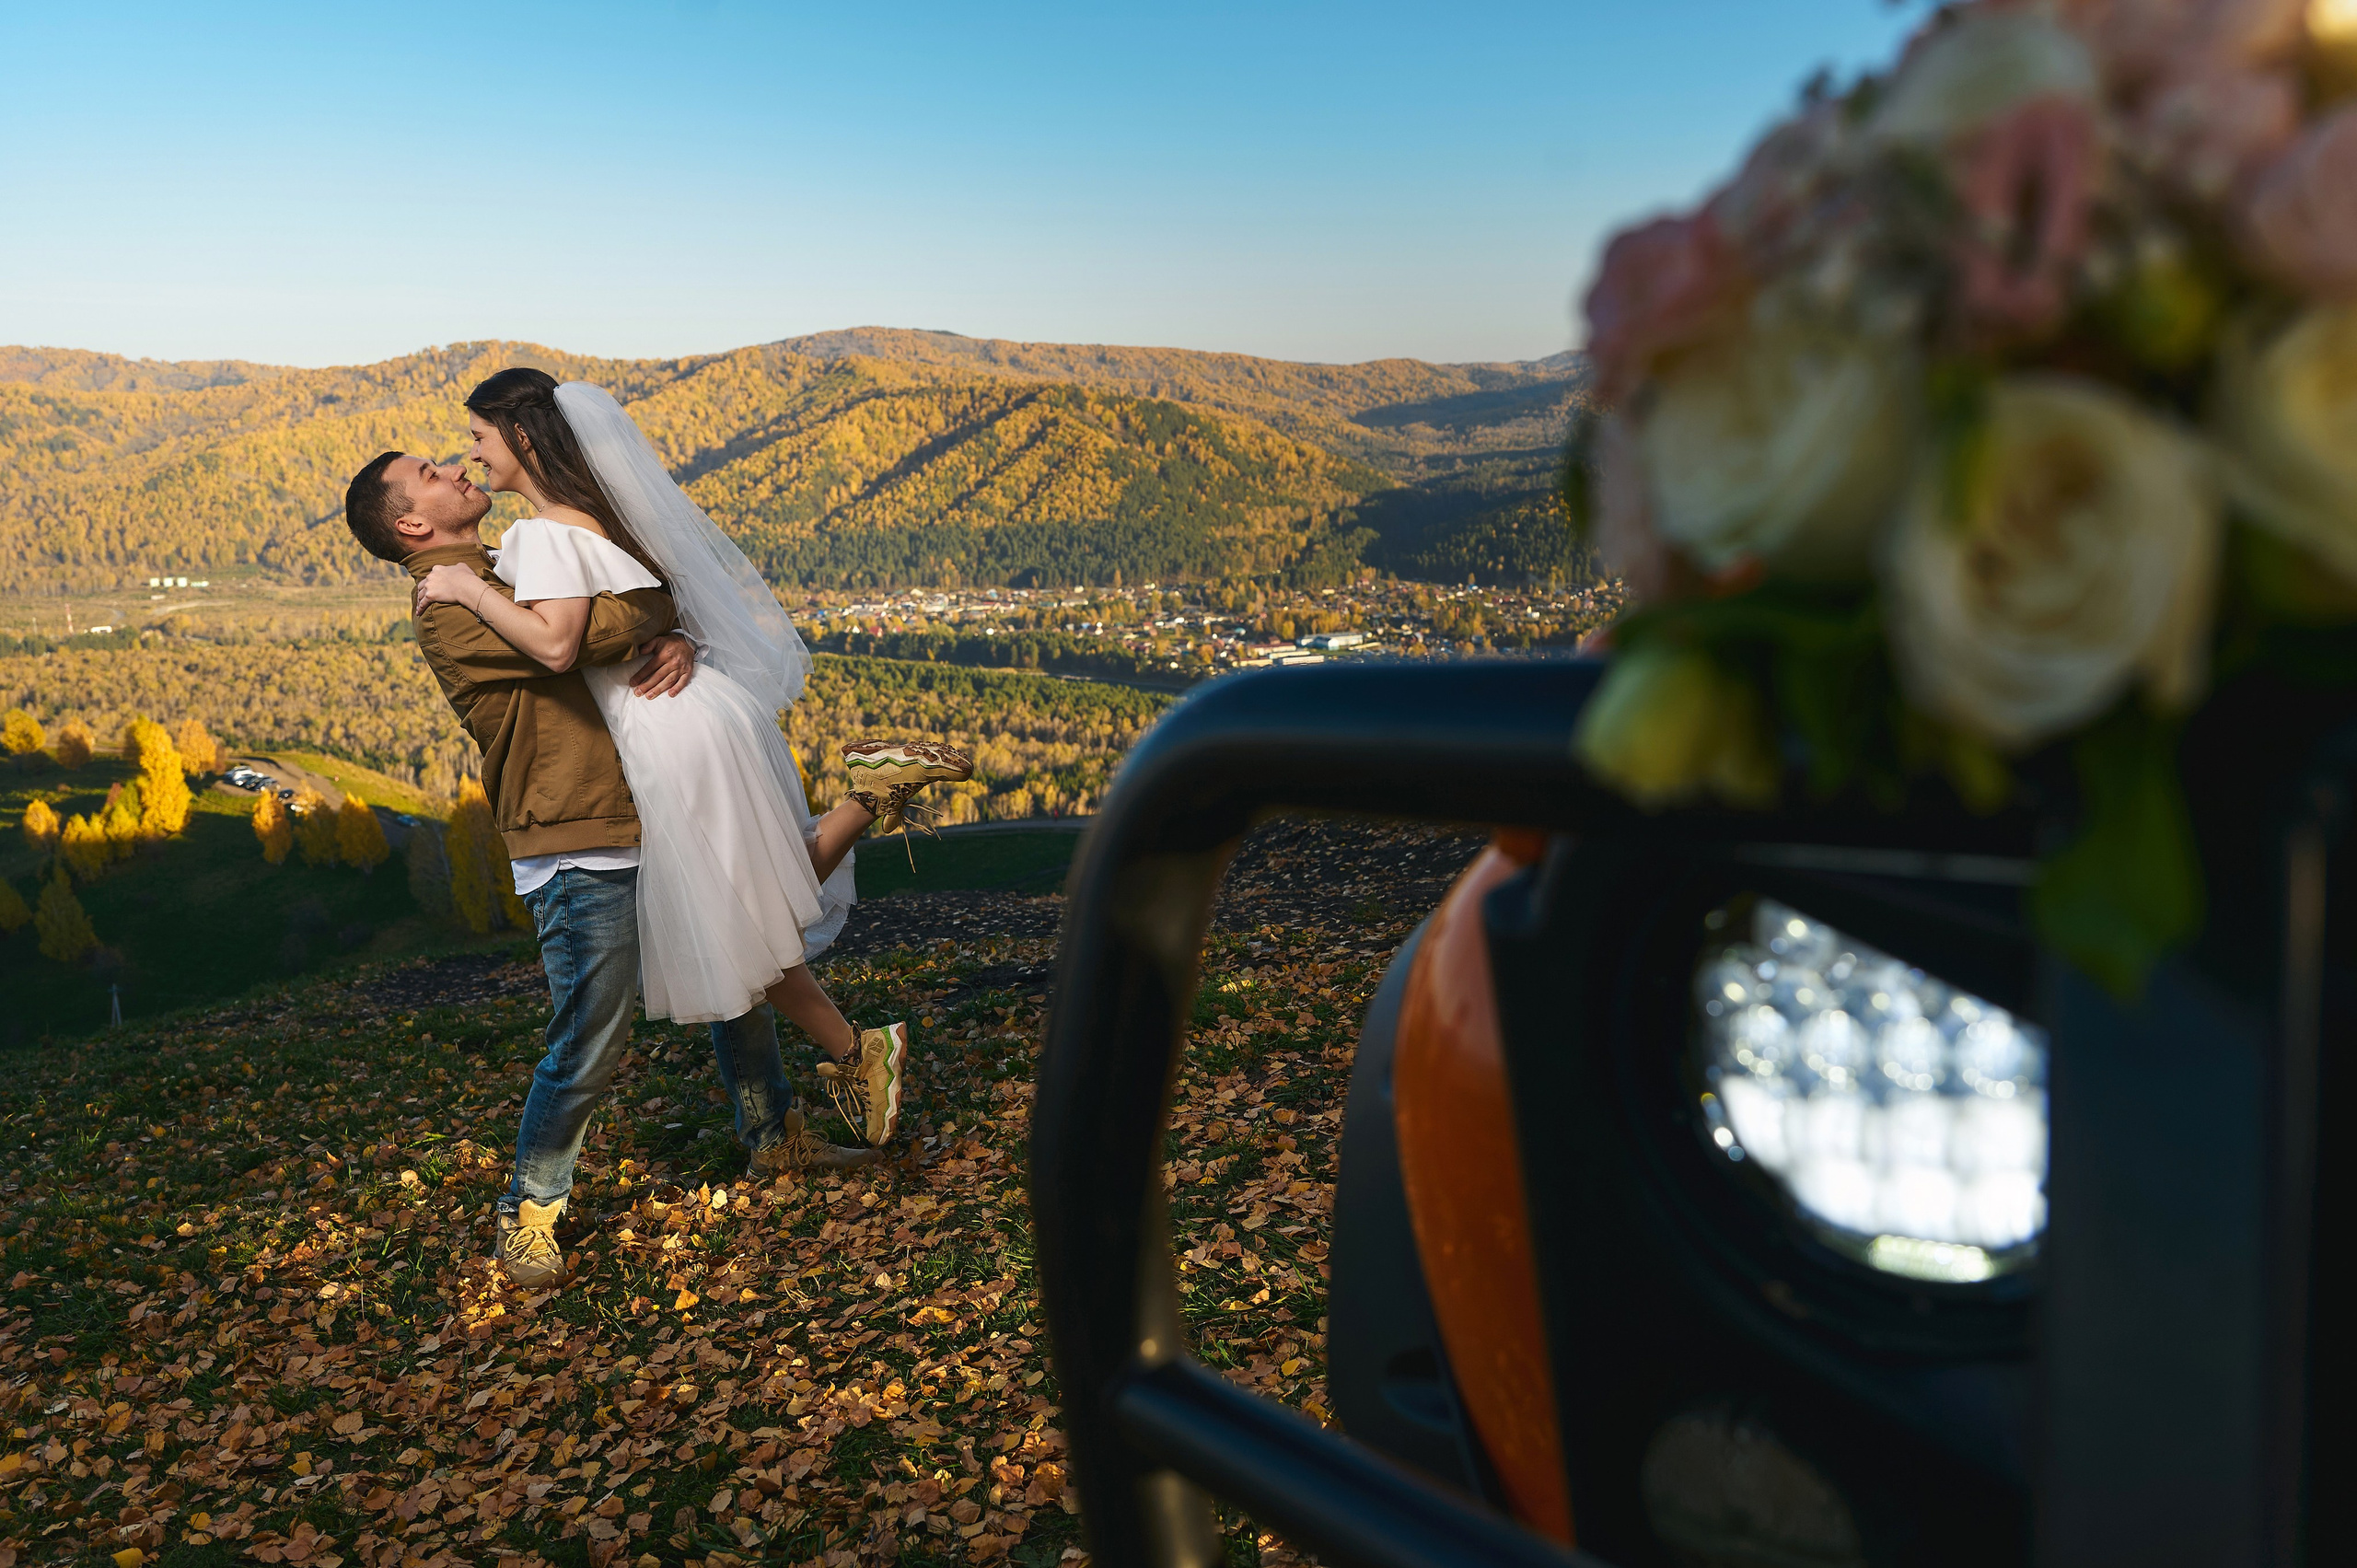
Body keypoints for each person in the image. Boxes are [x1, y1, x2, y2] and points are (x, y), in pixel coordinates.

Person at [341, 426, 953, 1286]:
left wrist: (677, 638)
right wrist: (659, 616)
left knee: (731, 965)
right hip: (575, 834)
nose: (452, 466)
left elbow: (611, 616)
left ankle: (774, 1140)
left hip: (637, 809)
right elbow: (583, 635)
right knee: (589, 1033)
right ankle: (529, 1213)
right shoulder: (448, 604)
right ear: (411, 526)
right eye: (428, 474)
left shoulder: (500, 574)